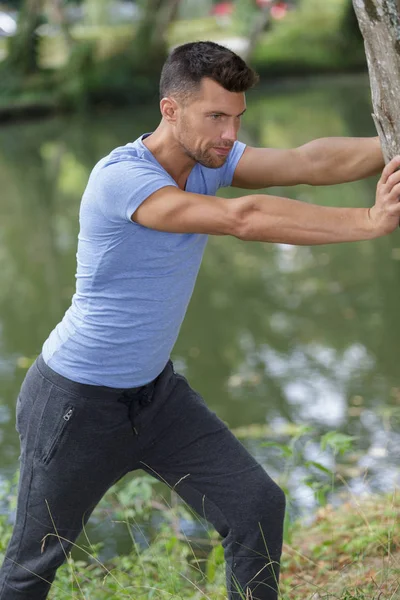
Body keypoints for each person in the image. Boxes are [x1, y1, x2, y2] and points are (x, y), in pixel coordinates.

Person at [0, 40, 399, 600]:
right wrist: (367, 219)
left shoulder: (211, 160)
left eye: (236, 118)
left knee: (256, 506)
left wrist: (394, 142)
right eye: (216, 117)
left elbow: (309, 163)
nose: (230, 134)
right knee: (31, 567)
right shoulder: (123, 179)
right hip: (74, 404)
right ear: (171, 109)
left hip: (156, 398)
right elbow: (242, 218)